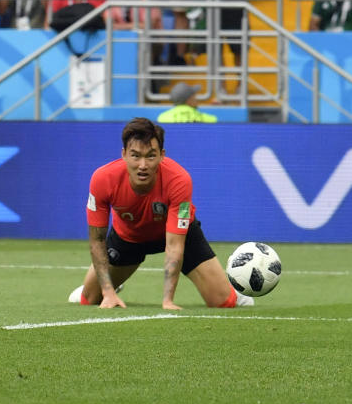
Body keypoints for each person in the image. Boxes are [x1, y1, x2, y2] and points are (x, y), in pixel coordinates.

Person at [67, 117, 252, 309]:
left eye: (150, 156)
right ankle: (113, 284)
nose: (143, 165)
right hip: (128, 237)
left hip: (177, 235)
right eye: (135, 155)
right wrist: (107, 292)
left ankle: (231, 290)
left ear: (162, 155)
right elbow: (97, 240)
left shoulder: (179, 180)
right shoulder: (102, 179)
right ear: (123, 154)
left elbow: (174, 244)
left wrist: (167, 300)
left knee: (223, 302)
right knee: (89, 300)